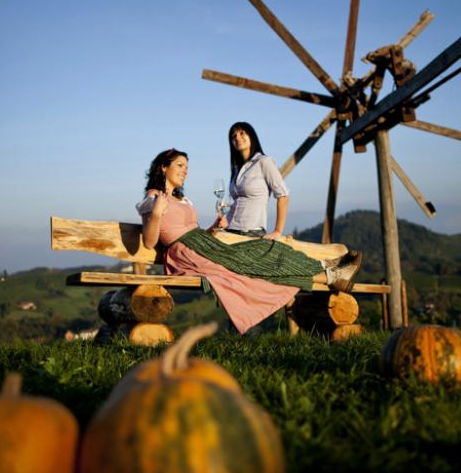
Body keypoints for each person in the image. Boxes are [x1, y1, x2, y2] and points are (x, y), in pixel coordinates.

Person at [136, 149, 362, 335]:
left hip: (204, 246)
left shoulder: (180, 199)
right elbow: (149, 242)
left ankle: (330, 270)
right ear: (163, 167)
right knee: (256, 264)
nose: (185, 171)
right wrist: (155, 214)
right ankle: (332, 273)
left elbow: (193, 232)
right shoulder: (153, 198)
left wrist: (214, 228)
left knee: (267, 247)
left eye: (186, 166)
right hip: (188, 255)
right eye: (179, 165)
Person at [224, 122, 289, 239]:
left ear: (251, 136)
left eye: (242, 133)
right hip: (228, 229)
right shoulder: (236, 168)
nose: (237, 138)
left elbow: (283, 195)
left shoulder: (264, 161)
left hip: (250, 232)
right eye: (233, 136)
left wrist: (278, 231)